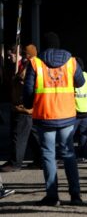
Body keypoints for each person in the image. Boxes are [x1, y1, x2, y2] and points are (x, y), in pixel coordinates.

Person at [23, 32, 85, 206]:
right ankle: (75, 195)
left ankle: (52, 196)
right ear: (58, 46)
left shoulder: (35, 63)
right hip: (66, 115)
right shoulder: (71, 62)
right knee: (68, 154)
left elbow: (28, 91)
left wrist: (28, 105)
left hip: (45, 115)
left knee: (48, 156)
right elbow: (80, 82)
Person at [0, 44, 41, 172]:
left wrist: (17, 76)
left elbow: (25, 81)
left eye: (10, 55)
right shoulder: (23, 65)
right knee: (32, 137)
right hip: (25, 107)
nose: (8, 57)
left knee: (18, 136)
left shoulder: (30, 65)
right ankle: (41, 160)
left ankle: (15, 163)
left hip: (23, 107)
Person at [74, 57, 87, 163]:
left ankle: (68, 156)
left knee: (69, 135)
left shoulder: (74, 77)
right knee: (84, 135)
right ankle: (82, 156)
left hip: (76, 110)